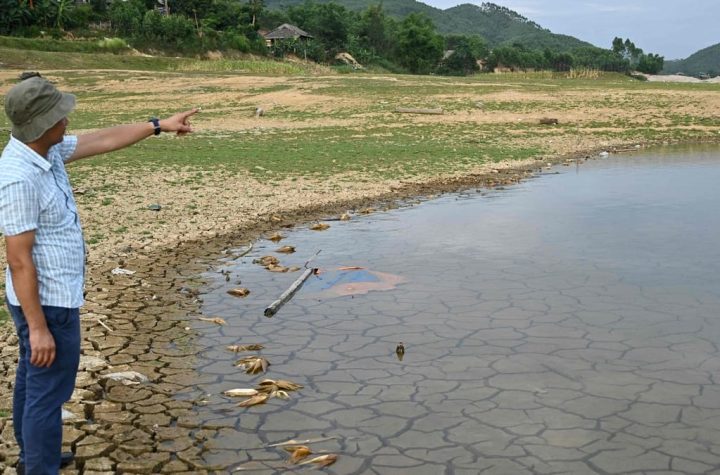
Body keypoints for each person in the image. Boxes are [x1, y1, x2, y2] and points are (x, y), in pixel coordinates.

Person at [0, 73, 197, 475]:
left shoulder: (45, 151)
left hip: (49, 297)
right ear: (40, 124)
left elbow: (101, 139)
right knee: (47, 392)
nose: (67, 120)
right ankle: (39, 467)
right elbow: (19, 259)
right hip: (46, 303)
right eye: (60, 115)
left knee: (34, 379)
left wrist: (158, 125)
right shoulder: (19, 176)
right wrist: (38, 328)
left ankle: (34, 457)